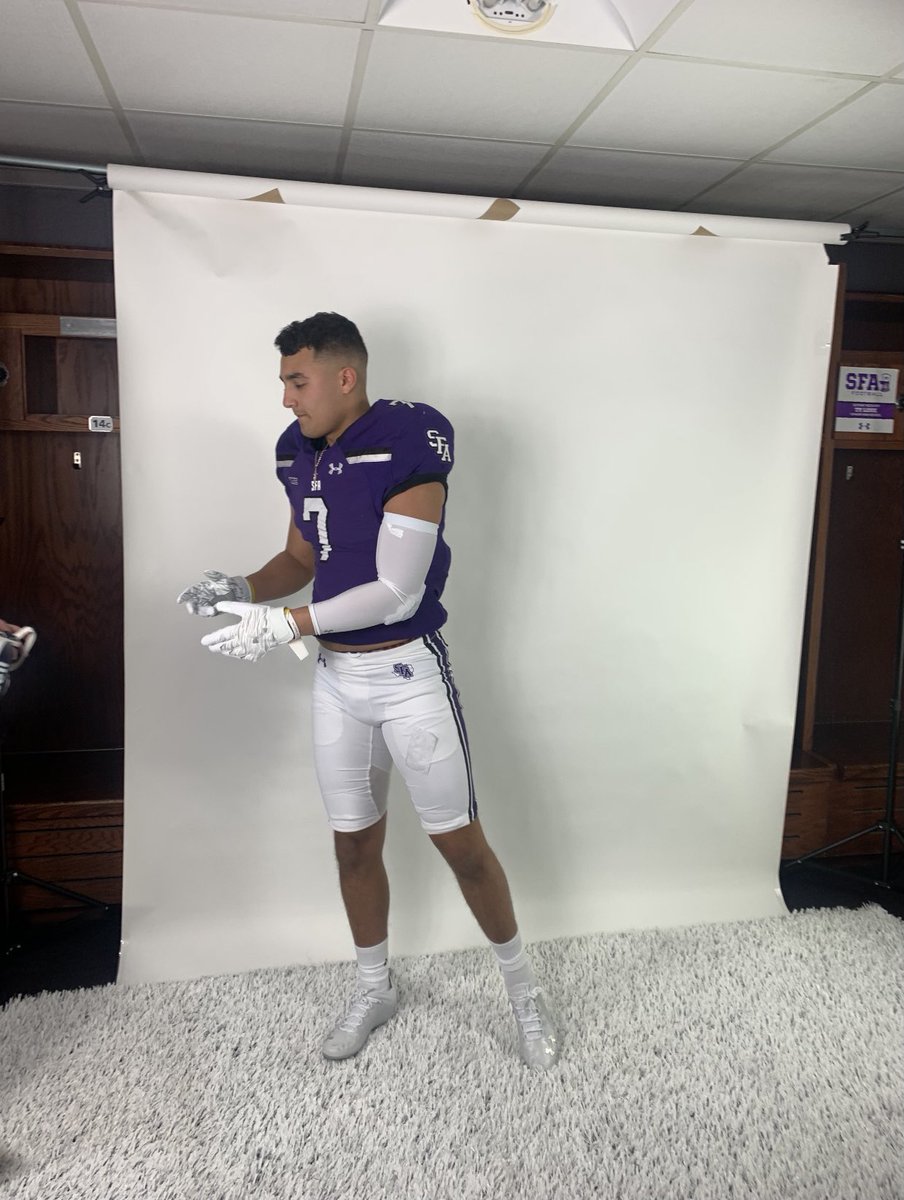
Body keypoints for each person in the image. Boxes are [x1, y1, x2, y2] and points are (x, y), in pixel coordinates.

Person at [178, 312, 558, 1070]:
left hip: (409, 676)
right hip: (338, 680)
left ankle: (524, 994)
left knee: (463, 848)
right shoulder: (298, 450)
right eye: (284, 380)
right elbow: (300, 555)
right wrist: (242, 586)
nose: (287, 398)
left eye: (298, 379)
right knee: (353, 843)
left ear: (345, 376)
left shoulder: (407, 442)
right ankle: (374, 986)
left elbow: (393, 590)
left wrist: (287, 626)